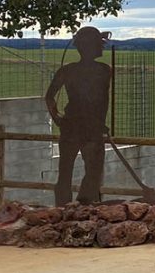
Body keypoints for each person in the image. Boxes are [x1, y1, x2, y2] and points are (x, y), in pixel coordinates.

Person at [45, 26, 111, 206]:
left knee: (73, 171)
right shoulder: (104, 70)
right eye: (99, 44)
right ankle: (82, 205)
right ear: (90, 47)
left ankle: (72, 206)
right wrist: (58, 118)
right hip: (86, 129)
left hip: (76, 127)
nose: (101, 48)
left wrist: (58, 118)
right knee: (88, 171)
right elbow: (50, 97)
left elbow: (50, 97)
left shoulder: (69, 70)